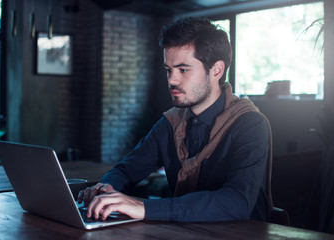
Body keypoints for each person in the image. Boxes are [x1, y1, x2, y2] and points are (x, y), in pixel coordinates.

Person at [78, 17, 273, 222]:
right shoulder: (170, 123)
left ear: (216, 70)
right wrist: (106, 187)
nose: (172, 80)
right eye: (168, 70)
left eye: (183, 70)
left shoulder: (250, 124)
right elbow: (127, 170)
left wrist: (144, 207)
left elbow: (237, 202)